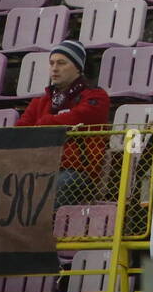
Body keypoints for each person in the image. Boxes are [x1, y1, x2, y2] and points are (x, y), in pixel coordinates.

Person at [17, 39, 111, 206]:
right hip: (39, 168)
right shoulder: (40, 102)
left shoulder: (96, 97)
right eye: (51, 63)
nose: (54, 68)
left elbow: (77, 117)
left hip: (78, 173)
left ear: (78, 67)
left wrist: (43, 123)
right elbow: (18, 131)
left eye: (61, 63)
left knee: (58, 186)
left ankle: (44, 231)